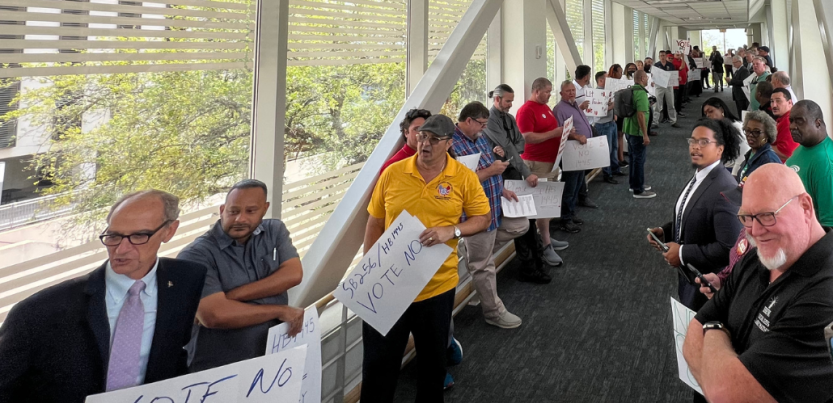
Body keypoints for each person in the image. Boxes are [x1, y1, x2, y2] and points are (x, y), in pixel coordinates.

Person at [0, 191, 207, 402]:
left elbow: (174, 354)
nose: (121, 250)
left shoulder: (185, 280)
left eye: (138, 236)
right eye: (114, 236)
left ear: (169, 231)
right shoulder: (39, 312)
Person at [361, 114, 491, 402]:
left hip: (435, 287)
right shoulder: (393, 173)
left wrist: (453, 230)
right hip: (389, 285)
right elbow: (374, 223)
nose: (426, 144)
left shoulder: (463, 177)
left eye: (434, 139)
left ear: (448, 143)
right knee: (378, 366)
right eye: (422, 137)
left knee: (432, 367)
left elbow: (482, 218)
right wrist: (369, 270)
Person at [683, 164, 833, 403]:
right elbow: (691, 337)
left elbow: (725, 394)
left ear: (805, 207)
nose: (754, 231)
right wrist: (718, 383)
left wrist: (713, 328)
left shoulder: (825, 293)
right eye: (746, 217)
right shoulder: (757, 257)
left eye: (766, 215)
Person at [179, 180, 305, 372]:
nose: (240, 219)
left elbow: (293, 274)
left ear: (265, 209)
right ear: (222, 209)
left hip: (271, 358)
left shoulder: (274, 230)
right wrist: (279, 310)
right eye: (233, 211)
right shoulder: (196, 254)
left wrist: (231, 297)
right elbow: (214, 315)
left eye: (251, 211)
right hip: (218, 367)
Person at [647, 118, 743, 311]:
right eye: (692, 141)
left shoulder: (724, 189)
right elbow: (694, 213)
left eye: (704, 142)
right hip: (691, 278)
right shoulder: (702, 175)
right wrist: (666, 231)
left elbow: (729, 248)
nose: (695, 147)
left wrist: (682, 253)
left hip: (708, 287)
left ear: (720, 149)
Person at [451, 101, 527, 328]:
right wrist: (491, 171)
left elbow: (486, 164)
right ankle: (493, 312)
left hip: (494, 204)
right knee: (484, 267)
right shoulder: (452, 145)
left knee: (521, 226)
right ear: (468, 121)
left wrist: (501, 186)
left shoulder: (480, 138)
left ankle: (474, 254)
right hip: (474, 215)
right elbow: (460, 183)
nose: (484, 128)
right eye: (481, 124)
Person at [484, 84, 563, 279]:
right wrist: (523, 167)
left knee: (526, 217)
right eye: (508, 101)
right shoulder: (490, 120)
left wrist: (511, 154)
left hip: (513, 171)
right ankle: (528, 266)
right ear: (496, 100)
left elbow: (519, 143)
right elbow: (510, 146)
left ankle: (536, 261)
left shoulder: (509, 118)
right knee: (517, 219)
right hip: (499, 177)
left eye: (512, 100)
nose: (511, 104)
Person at [517, 77, 571, 265]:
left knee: (548, 204)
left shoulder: (545, 107)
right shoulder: (526, 110)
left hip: (551, 162)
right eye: (547, 92)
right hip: (537, 163)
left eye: (550, 91)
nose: (549, 95)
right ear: (537, 90)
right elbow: (527, 138)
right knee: (541, 205)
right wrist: (555, 133)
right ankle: (545, 245)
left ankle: (545, 236)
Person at [554, 77, 595, 233]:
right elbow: (561, 132)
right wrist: (576, 137)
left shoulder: (575, 105)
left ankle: (571, 213)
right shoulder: (559, 109)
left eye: (573, 90)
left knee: (578, 184)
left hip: (580, 152)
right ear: (561, 93)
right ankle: (565, 219)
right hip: (570, 153)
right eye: (568, 91)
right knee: (570, 187)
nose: (571, 93)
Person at [786, 100, 833, 226]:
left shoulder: (825, 163)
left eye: (799, 121)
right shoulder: (802, 148)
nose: (792, 126)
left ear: (818, 123)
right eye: (791, 121)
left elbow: (829, 225)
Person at [624, 71, 655, 199]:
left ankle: (634, 183)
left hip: (628, 129)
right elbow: (641, 115)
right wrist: (645, 134)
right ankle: (638, 189)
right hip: (637, 131)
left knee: (633, 158)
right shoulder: (641, 93)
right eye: (646, 77)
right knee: (639, 160)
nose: (647, 79)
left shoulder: (631, 90)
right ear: (642, 78)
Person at [701, 97, 749, 176]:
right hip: (723, 166)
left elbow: (744, 154)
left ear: (722, 110)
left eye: (711, 111)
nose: (708, 115)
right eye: (706, 114)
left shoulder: (736, 127)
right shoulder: (717, 128)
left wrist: (734, 175)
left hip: (735, 170)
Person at [734, 110, 782, 185]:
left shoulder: (769, 160)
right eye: (747, 130)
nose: (750, 135)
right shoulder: (750, 154)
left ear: (767, 134)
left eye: (756, 132)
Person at [592, 71, 623, 184]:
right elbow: (600, 110)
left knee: (614, 147)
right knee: (607, 150)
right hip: (603, 124)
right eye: (607, 78)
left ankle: (615, 168)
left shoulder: (607, 91)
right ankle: (607, 173)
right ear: (601, 80)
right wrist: (613, 105)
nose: (610, 81)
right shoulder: (596, 94)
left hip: (611, 122)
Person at [381, 108, 431, 173]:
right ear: (406, 132)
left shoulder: (437, 159)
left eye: (427, 130)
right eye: (417, 129)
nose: (422, 134)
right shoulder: (393, 166)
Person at [770, 88, 799, 162]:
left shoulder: (789, 120)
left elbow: (786, 152)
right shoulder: (782, 118)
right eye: (772, 101)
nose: (774, 105)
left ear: (790, 102)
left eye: (778, 101)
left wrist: (761, 145)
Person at [609, 64, 629, 168]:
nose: (621, 74)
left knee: (621, 134)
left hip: (620, 111)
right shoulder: (610, 84)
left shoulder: (622, 83)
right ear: (615, 72)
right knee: (616, 136)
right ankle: (617, 158)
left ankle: (621, 157)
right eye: (620, 72)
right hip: (613, 112)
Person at [653, 51, 679, 128]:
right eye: (661, 55)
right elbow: (653, 76)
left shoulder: (670, 65)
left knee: (671, 104)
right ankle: (655, 122)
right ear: (659, 57)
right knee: (657, 105)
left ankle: (673, 121)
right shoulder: (656, 65)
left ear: (666, 56)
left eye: (664, 55)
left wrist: (677, 78)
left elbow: (673, 75)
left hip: (668, 86)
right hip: (659, 86)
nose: (662, 57)